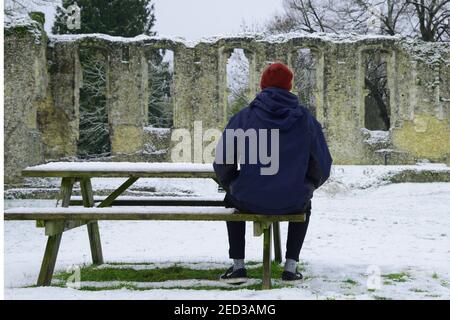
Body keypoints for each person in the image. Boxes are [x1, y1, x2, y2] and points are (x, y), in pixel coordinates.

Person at [213, 62, 332, 284]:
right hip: (293, 200)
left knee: (230, 200)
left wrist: (232, 184)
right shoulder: (306, 119)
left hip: (249, 199)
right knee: (306, 203)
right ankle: (290, 267)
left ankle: (238, 267)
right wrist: (308, 185)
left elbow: (223, 160)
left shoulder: (244, 117)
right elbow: (322, 163)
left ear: (263, 85)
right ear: (289, 86)